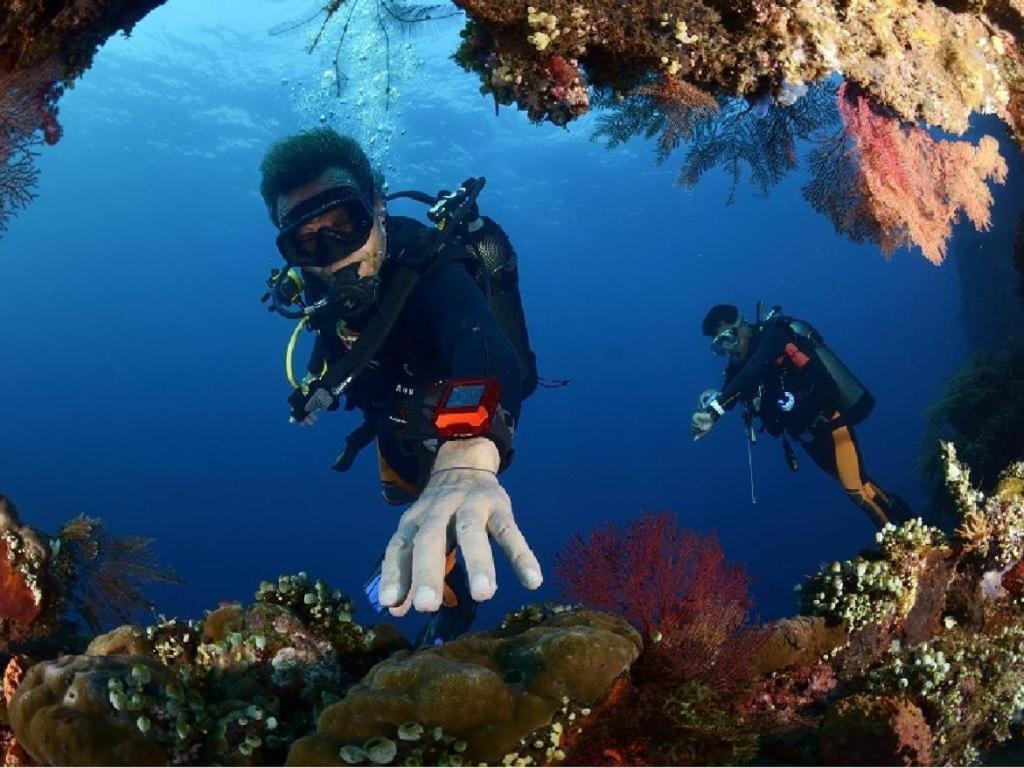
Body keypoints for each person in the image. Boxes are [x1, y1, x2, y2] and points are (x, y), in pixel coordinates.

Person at [258, 128, 543, 644]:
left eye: (346, 223)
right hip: (392, 422)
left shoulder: (429, 268)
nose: (333, 252)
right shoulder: (322, 290)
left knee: (448, 506)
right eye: (307, 239)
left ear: (379, 208)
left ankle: (451, 614)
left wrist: (466, 452)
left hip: (450, 424)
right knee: (407, 499)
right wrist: (319, 387)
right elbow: (343, 350)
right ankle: (427, 556)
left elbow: (479, 340)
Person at [691, 303, 911, 527]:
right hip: (808, 439)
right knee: (862, 484)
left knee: (854, 490)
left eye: (729, 339)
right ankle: (910, 525)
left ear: (742, 324)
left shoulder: (773, 335)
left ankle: (902, 549)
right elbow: (733, 391)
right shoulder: (738, 368)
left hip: (831, 422)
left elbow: (757, 366)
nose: (729, 349)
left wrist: (717, 407)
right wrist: (710, 415)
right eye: (719, 346)